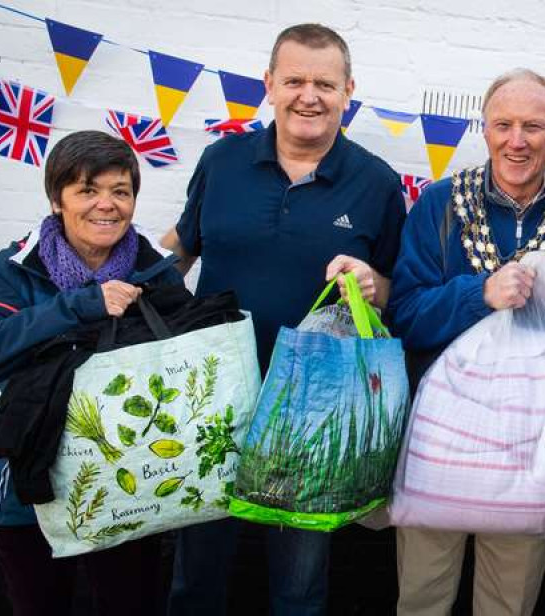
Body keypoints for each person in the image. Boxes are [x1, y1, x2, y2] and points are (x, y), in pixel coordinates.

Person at [160, 23, 405, 616]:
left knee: (299, 587)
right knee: (196, 575)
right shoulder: (222, 161)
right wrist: (116, 272)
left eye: (325, 83)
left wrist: (375, 287)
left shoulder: (377, 183)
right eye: (294, 80)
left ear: (350, 91)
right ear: (269, 85)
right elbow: (181, 247)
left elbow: (401, 291)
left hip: (315, 414)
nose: (309, 96)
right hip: (212, 400)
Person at [389, 68, 545, 616]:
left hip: (535, 443)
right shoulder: (441, 206)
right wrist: (482, 293)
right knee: (423, 591)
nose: (516, 140)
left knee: (509, 597)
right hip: (441, 438)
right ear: (484, 127)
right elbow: (406, 314)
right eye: (503, 125)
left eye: (533, 126)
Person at [0, 130, 184, 616]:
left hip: (131, 491)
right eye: (87, 190)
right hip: (25, 492)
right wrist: (80, 306)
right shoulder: (15, 268)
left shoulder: (156, 272)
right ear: (57, 199)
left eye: (120, 191)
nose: (106, 205)